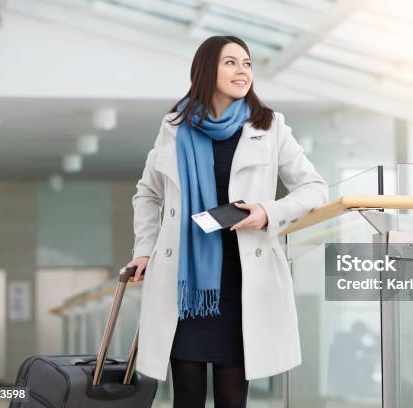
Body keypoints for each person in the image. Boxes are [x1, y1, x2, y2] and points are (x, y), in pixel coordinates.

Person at [127, 35, 329, 408]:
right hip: (185, 282)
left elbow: (315, 188)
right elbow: (147, 193)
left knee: (232, 396)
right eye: (231, 62)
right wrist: (144, 249)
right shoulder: (175, 127)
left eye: (247, 63)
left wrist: (268, 212)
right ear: (207, 70)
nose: (243, 71)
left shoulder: (270, 126)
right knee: (186, 394)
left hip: (242, 280)